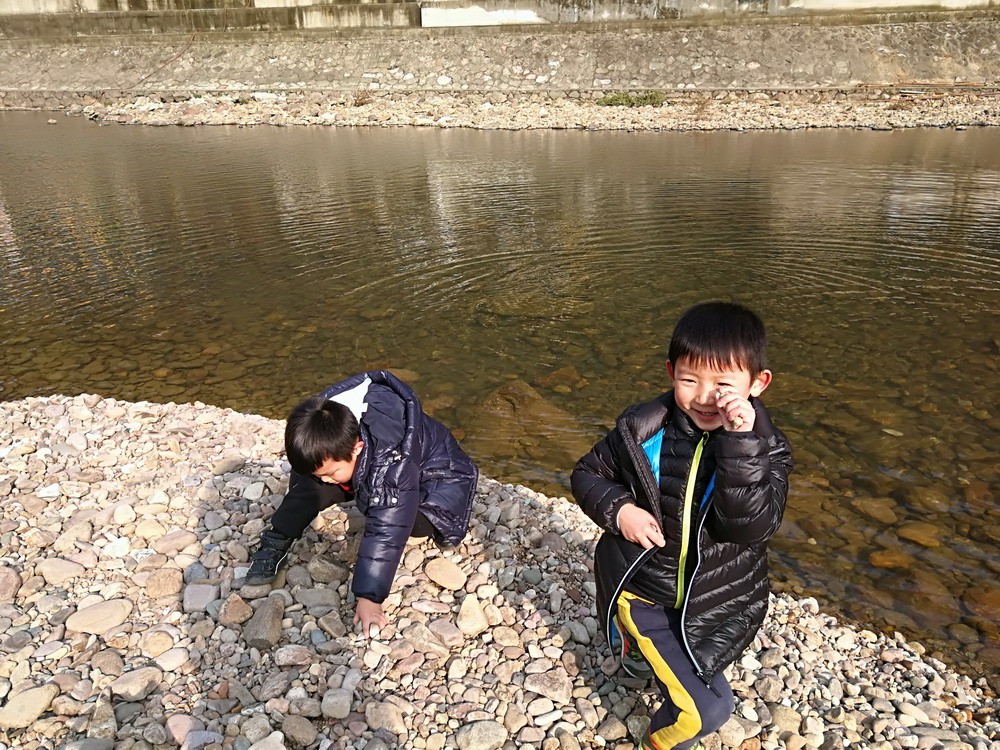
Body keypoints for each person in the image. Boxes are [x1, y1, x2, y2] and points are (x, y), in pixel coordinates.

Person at [571, 301, 793, 750]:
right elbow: (586, 474)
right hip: (645, 591)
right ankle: (656, 740)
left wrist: (739, 444)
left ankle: (639, 661)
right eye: (690, 380)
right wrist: (620, 512)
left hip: (713, 597)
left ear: (758, 384)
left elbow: (749, 528)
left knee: (707, 675)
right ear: (671, 372)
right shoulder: (642, 430)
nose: (706, 397)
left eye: (724, 385)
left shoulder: (766, 450)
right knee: (709, 711)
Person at [246, 370, 478, 637]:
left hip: (438, 479)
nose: (327, 479)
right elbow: (312, 478)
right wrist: (319, 481)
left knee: (412, 522)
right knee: (311, 487)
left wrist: (370, 598)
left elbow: (386, 531)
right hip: (371, 468)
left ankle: (422, 518)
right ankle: (275, 542)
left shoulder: (391, 461)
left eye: (331, 472)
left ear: (356, 448)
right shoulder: (325, 421)